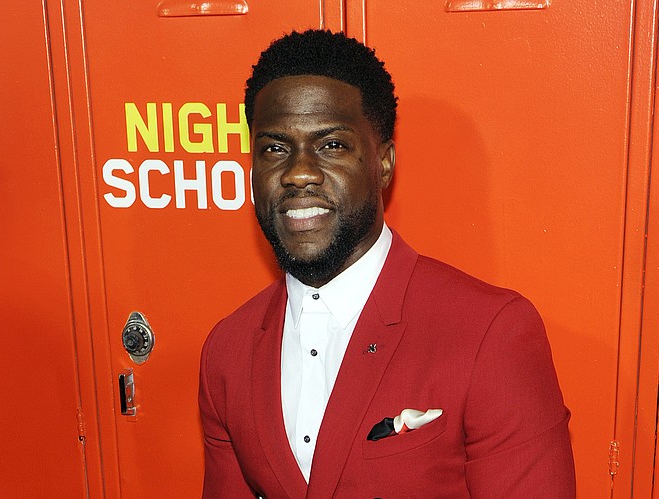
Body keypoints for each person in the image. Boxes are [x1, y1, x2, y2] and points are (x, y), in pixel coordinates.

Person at [198, 29, 575, 498]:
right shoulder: (226, 351)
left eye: (331, 145)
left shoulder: (491, 332)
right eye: (275, 148)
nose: (297, 172)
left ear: (384, 164)